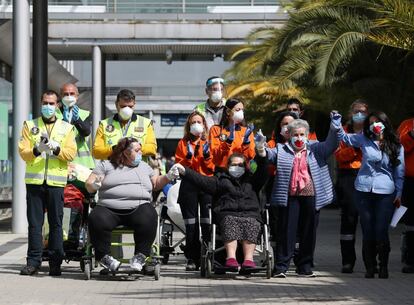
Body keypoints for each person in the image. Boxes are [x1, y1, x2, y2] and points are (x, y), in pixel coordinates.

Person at [258, 114, 341, 278]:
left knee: (308, 232)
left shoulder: (316, 148)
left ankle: (305, 266)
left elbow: (332, 144)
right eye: (295, 134)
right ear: (289, 135)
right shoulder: (282, 149)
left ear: (307, 135)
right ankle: (281, 267)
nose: (299, 138)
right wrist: (260, 147)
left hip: (311, 196)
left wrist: (335, 127)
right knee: (286, 232)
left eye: (302, 134)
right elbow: (267, 155)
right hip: (290, 197)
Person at [85, 137, 178, 272]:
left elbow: (156, 184)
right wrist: (94, 185)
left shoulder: (144, 167)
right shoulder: (106, 165)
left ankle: (140, 256)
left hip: (138, 207)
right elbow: (89, 184)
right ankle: (104, 257)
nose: (141, 153)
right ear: (125, 152)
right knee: (96, 218)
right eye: (137, 150)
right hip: (109, 208)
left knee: (150, 215)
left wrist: (168, 176)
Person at [172, 151, 268, 271]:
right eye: (234, 165)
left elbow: (263, 172)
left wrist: (262, 154)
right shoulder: (221, 180)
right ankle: (231, 258)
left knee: (251, 223)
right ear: (228, 166)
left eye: (240, 165)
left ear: (245, 167)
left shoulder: (252, 181)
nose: (237, 168)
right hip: (227, 213)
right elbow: (201, 180)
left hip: (250, 213)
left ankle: (248, 260)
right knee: (230, 221)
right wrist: (184, 171)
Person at [337, 111, 404, 278]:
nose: (375, 125)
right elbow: (344, 138)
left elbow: (400, 172)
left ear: (385, 124)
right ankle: (370, 267)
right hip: (363, 190)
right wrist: (336, 123)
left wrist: (399, 192)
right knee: (367, 229)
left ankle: (383, 266)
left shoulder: (396, 145)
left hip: (386, 191)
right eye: (371, 123)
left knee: (381, 229)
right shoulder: (363, 139)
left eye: (378, 122)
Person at [18, 90, 77, 276]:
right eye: (45, 102)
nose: (48, 106)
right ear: (40, 103)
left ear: (57, 105)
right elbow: (23, 152)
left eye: (52, 103)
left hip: (56, 182)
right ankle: (33, 262)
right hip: (34, 181)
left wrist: (56, 148)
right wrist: (37, 149)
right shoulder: (29, 125)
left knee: (56, 223)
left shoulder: (66, 128)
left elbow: (71, 154)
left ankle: (55, 263)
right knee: (34, 224)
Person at [56, 83, 95, 250]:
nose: (69, 96)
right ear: (60, 96)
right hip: (61, 167)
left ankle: (80, 236)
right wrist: (64, 120)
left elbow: (85, 132)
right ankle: (65, 237)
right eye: (65, 93)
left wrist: (76, 119)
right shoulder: (55, 114)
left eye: (72, 93)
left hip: (83, 168)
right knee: (65, 201)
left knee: (85, 203)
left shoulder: (85, 113)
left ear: (77, 96)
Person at [175, 111, 215, 271]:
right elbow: (179, 166)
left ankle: (207, 254)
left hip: (206, 184)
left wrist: (206, 158)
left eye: (199, 121)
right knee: (191, 224)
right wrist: (189, 158)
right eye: (193, 122)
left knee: (207, 222)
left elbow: (213, 167)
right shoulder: (182, 143)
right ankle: (192, 257)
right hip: (189, 184)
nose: (196, 124)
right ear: (188, 125)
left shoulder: (210, 142)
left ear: (204, 125)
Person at [335, 99, 369, 273]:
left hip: (369, 177)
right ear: (350, 113)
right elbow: (339, 156)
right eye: (356, 111)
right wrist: (356, 149)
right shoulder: (342, 132)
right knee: (349, 219)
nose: (359, 114)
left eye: (363, 111)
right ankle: (347, 261)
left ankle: (370, 261)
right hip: (348, 176)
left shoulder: (373, 132)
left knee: (368, 220)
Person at [92, 89, 157, 161]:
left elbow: (152, 149)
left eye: (130, 106)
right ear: (116, 105)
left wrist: (137, 147)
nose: (127, 109)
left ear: (134, 105)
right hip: (113, 169)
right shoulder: (104, 124)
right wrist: (114, 149)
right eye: (123, 106)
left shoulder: (146, 123)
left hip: (137, 170)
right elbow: (96, 152)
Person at [209, 98, 255, 172]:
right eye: (237, 110)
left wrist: (246, 143)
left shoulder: (247, 131)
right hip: (222, 171)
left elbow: (250, 156)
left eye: (242, 110)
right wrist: (228, 141)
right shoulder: (216, 130)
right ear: (228, 111)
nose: (241, 113)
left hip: (241, 170)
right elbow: (215, 155)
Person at [397, 117, 414, 273]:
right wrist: (412, 135)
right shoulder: (407, 125)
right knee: (410, 222)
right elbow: (399, 149)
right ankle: (410, 260)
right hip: (411, 180)